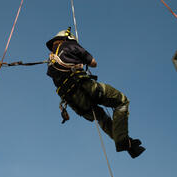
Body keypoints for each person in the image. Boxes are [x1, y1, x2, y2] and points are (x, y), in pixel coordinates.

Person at [46, 27, 145, 158]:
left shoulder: (50, 62)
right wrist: (82, 60)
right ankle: (122, 141)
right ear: (68, 37)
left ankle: (127, 144)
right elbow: (93, 63)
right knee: (121, 101)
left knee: (101, 117)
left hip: (75, 103)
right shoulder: (70, 44)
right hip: (86, 88)